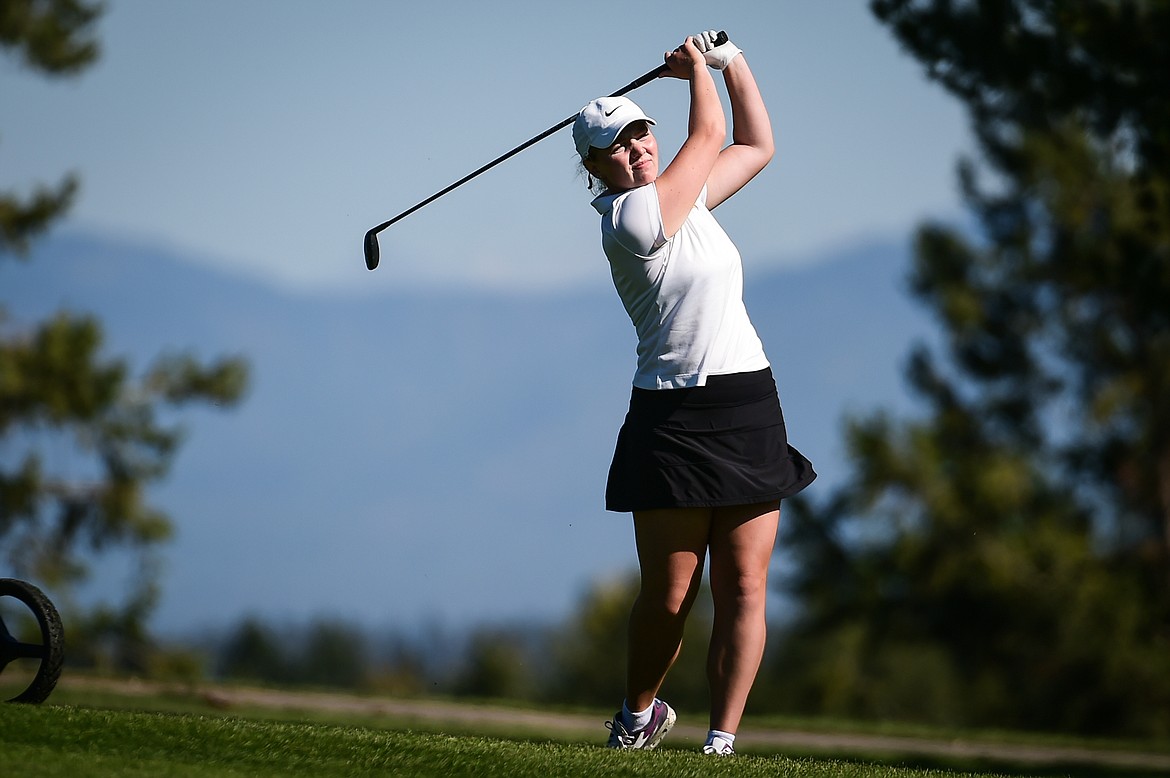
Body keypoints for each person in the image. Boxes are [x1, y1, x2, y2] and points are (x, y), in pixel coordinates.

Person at [572, 31, 816, 756]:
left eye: (641, 132)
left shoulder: (688, 202)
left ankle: (721, 743)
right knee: (671, 596)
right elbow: (709, 132)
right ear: (594, 166)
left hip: (746, 403)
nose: (637, 148)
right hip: (671, 415)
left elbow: (754, 143)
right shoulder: (630, 221)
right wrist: (693, 74)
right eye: (617, 145)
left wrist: (731, 59)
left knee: (745, 587)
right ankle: (638, 713)